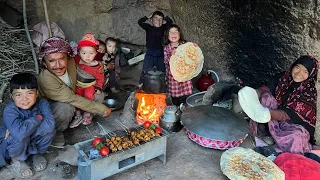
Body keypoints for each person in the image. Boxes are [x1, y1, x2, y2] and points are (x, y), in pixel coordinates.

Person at [37, 37, 111, 148]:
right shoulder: (46, 79)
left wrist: (99, 66)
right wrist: (102, 109)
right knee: (65, 108)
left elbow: (86, 61)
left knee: (97, 94)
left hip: (73, 98)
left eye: (62, 59)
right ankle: (55, 132)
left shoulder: (72, 62)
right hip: (53, 107)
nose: (58, 65)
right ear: (44, 63)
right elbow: (72, 98)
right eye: (52, 61)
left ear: (68, 58)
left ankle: (84, 118)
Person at [249, 55, 318, 154]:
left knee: (297, 136)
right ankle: (265, 132)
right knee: (266, 97)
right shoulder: (284, 77)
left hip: (293, 125)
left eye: (305, 72)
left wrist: (267, 114)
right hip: (275, 120)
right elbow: (267, 88)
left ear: (311, 75)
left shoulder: (309, 92)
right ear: (293, 66)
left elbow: (288, 114)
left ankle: (283, 149)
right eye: (298, 67)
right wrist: (254, 93)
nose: (299, 73)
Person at [0, 73, 55, 178]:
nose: (24, 99)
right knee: (16, 137)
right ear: (12, 96)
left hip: (29, 139)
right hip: (12, 145)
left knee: (49, 131)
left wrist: (23, 129)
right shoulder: (10, 110)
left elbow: (50, 125)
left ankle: (36, 153)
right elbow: (20, 135)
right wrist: (37, 119)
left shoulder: (42, 103)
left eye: (29, 93)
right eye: (18, 95)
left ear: (37, 93)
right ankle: (16, 160)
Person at [69, 33, 105, 128]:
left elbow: (100, 78)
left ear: (96, 53)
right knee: (76, 96)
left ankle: (87, 113)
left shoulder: (97, 66)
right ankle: (77, 114)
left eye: (91, 53)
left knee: (89, 96)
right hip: (78, 85)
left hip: (90, 86)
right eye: (84, 53)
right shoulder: (76, 60)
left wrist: (98, 87)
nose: (87, 56)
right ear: (79, 53)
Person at [138, 11, 173, 82]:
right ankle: (142, 85)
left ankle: (162, 85)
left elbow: (170, 22)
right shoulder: (148, 27)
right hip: (150, 54)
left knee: (162, 71)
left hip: (161, 54)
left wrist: (165, 17)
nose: (158, 20)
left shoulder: (164, 27)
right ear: (152, 20)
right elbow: (140, 22)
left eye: (160, 19)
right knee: (146, 70)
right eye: (156, 18)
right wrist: (147, 16)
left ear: (163, 21)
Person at [163, 24, 193, 106]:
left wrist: (194, 47)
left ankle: (182, 107)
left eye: (176, 32)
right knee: (174, 96)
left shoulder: (184, 45)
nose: (173, 34)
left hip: (184, 74)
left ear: (180, 34)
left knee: (184, 94)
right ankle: (175, 108)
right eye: (171, 32)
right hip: (172, 76)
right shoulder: (167, 48)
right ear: (167, 36)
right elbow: (166, 61)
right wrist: (171, 56)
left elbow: (191, 54)